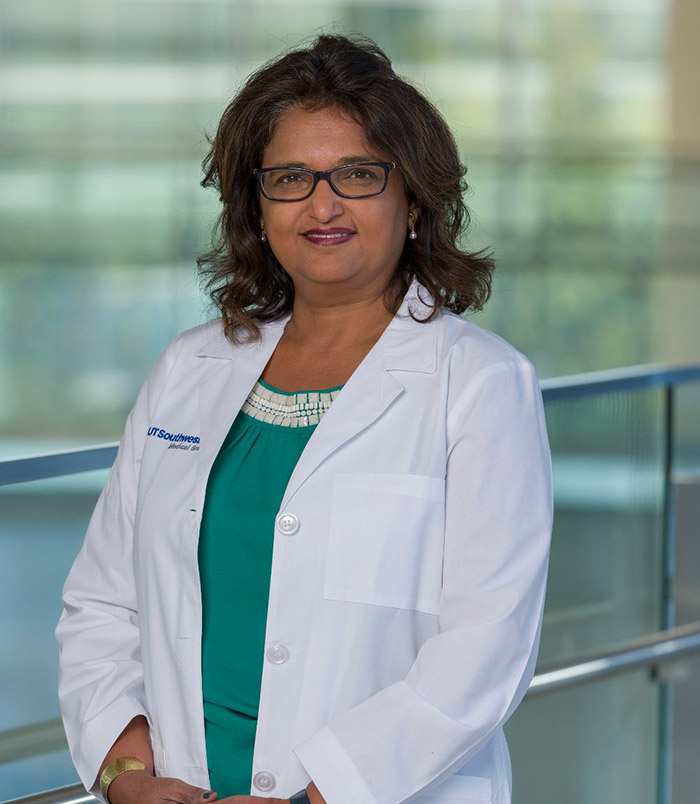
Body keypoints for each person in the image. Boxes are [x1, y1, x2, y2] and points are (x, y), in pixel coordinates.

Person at [56, 33, 553, 804]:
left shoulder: (481, 383)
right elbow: (101, 601)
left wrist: (318, 799)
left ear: (413, 196)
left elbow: (485, 654)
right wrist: (127, 775)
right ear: (257, 206)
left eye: (356, 174)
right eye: (290, 178)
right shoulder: (190, 369)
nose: (322, 205)